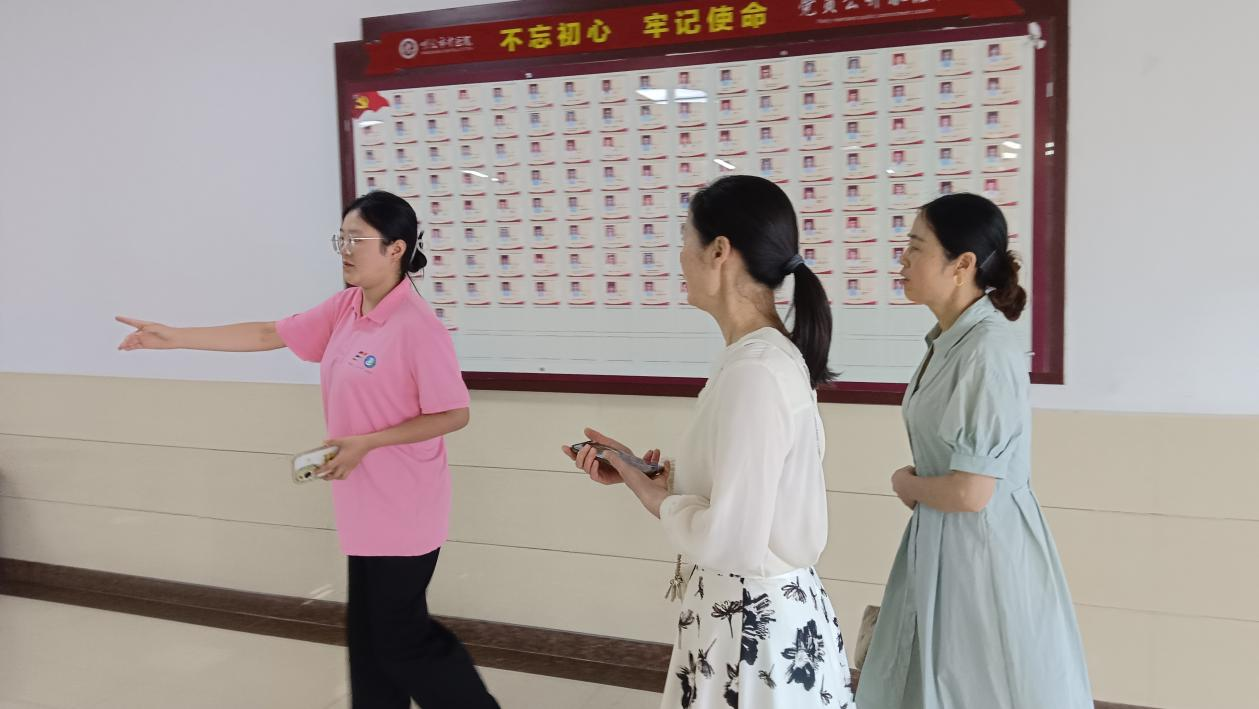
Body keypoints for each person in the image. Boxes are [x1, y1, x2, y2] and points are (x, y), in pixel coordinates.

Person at [115, 192, 500, 709]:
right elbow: (268, 333)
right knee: (368, 641)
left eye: (357, 240)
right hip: (362, 501)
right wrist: (177, 336)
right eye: (342, 239)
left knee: (402, 639)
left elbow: (453, 413)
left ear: (395, 249)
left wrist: (370, 442)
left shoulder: (417, 327)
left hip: (406, 506)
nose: (346, 250)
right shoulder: (347, 307)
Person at [562, 175, 854, 709]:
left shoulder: (756, 370)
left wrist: (651, 494)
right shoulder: (759, 358)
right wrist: (654, 475)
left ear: (719, 251)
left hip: (753, 634)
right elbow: (747, 494)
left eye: (684, 240)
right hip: (751, 619)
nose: (679, 257)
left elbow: (732, 539)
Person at [857, 193, 1091, 709]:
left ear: (961, 265)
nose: (903, 259)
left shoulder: (986, 349)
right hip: (946, 545)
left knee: (977, 688)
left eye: (916, 247)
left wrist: (906, 483)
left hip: (980, 553)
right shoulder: (950, 340)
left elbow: (971, 491)